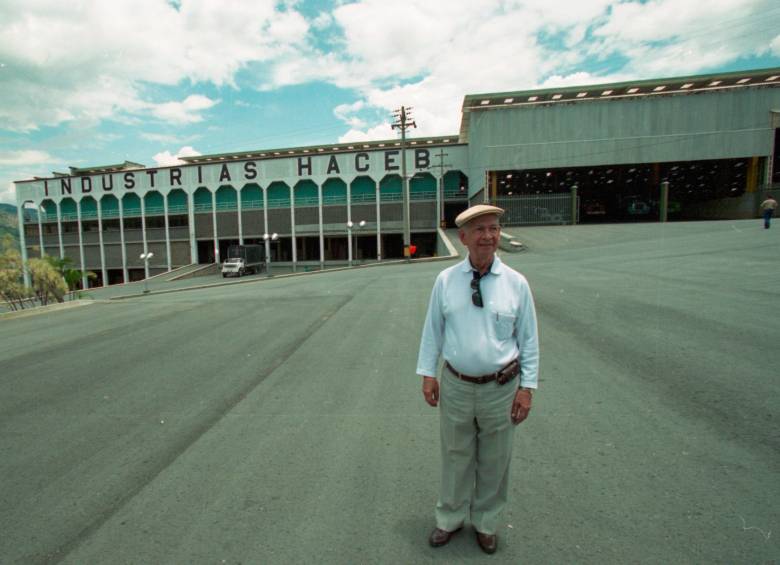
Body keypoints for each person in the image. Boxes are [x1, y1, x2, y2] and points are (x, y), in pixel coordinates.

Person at [416, 204, 539, 555]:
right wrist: (428, 374)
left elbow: (529, 340)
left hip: (501, 389)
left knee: (495, 459)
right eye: (480, 230)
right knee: (455, 455)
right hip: (455, 384)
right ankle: (449, 519)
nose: (488, 236)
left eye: (494, 229)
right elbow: (432, 331)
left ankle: (486, 522)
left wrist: (527, 389)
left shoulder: (516, 284)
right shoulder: (445, 280)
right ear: (464, 237)